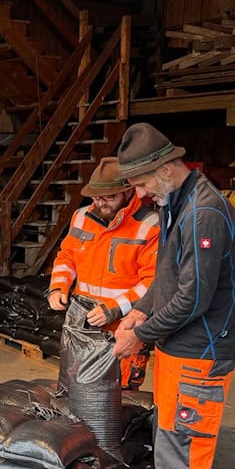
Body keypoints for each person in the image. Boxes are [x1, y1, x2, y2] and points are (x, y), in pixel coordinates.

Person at [112, 123, 235, 469]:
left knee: (183, 459)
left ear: (166, 170)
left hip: (199, 357)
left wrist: (140, 336)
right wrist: (140, 309)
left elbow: (193, 299)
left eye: (141, 183)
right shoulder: (175, 204)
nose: (139, 194)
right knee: (169, 448)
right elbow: (167, 278)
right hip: (178, 352)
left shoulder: (202, 213)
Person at [48, 157, 159, 390]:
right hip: (82, 320)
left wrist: (115, 308)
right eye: (96, 197)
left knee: (118, 395)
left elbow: (153, 282)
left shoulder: (150, 225)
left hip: (123, 325)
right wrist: (58, 287)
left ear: (128, 192)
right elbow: (67, 256)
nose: (101, 204)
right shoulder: (80, 217)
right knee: (73, 386)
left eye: (109, 197)